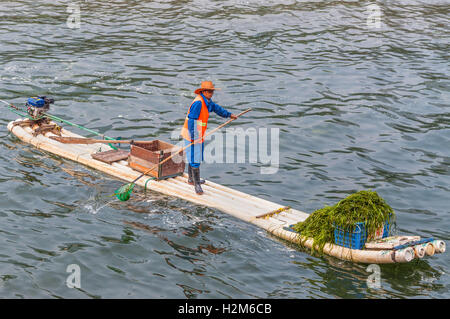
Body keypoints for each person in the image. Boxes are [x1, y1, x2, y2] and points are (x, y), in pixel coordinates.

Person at [181, 81, 237, 195]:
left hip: (198, 135)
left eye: (212, 91)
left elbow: (216, 108)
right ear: (203, 91)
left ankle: (192, 179)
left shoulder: (207, 102)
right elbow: (191, 120)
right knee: (195, 159)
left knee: (195, 157)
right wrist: (194, 137)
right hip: (192, 135)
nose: (211, 93)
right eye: (209, 91)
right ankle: (196, 184)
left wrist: (228, 114)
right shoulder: (198, 103)